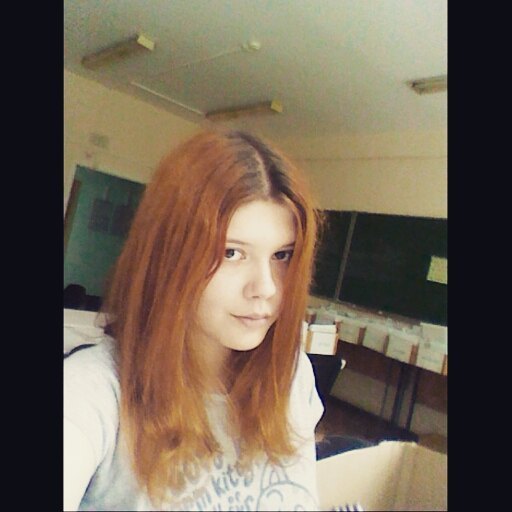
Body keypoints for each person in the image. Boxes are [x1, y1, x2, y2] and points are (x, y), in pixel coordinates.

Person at [64, 129, 324, 511]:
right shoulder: (92, 392)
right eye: (232, 253)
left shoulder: (291, 374)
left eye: (282, 255)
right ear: (168, 256)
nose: (265, 288)